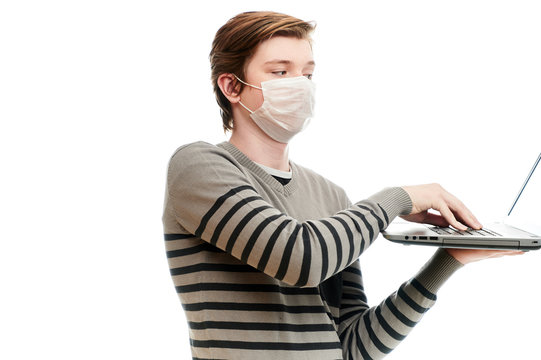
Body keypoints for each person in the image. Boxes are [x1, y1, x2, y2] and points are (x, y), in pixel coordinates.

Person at [162, 11, 522, 360]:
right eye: (280, 72)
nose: (299, 85)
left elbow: (351, 345)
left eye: (307, 73)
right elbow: (301, 260)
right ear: (231, 86)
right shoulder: (199, 166)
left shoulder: (331, 196)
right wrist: (399, 198)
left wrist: (447, 261)